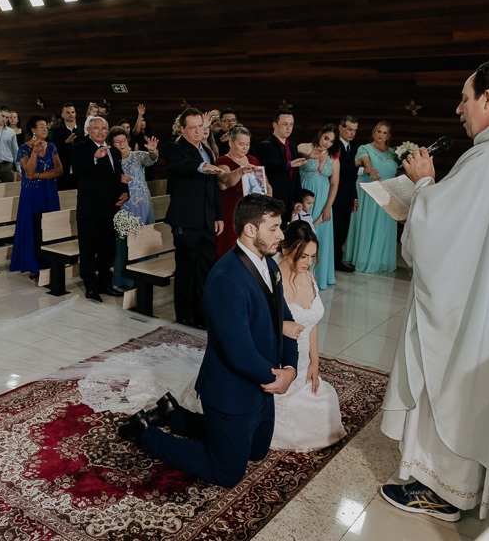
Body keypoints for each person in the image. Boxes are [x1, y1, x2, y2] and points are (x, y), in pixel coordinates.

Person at [380, 59, 489, 522]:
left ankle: (443, 489)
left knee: (454, 379)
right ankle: (463, 486)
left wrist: (422, 184)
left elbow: (441, 232)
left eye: (464, 97)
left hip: (472, 303)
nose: (459, 109)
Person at [117, 193, 298, 488]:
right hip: (232, 391)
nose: (281, 235)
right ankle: (145, 433)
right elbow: (238, 353)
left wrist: (290, 368)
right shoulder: (227, 278)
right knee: (227, 473)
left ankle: (175, 415)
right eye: (274, 227)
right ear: (251, 230)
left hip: (264, 386)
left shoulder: (271, 266)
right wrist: (278, 377)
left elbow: (285, 322)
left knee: (257, 451)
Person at [271, 220, 346, 449]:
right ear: (286, 249)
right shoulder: (273, 280)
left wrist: (315, 360)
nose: (308, 263)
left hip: (303, 363)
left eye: (312, 257)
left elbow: (311, 322)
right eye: (303, 256)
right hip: (277, 359)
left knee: (324, 409)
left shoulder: (309, 277)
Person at [163, 108, 224, 328]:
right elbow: (178, 165)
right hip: (186, 220)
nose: (199, 131)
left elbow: (214, 186)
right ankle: (184, 315)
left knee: (204, 270)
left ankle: (201, 314)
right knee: (186, 270)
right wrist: (201, 166)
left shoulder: (207, 149)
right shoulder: (174, 148)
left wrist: (218, 215)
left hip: (207, 220)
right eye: (193, 127)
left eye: (201, 126)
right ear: (182, 129)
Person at [72, 116, 129, 302]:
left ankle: (105, 283)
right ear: (88, 130)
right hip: (89, 209)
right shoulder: (81, 147)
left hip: (110, 208)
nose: (101, 132)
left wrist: (124, 191)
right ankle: (90, 287)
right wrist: (94, 158)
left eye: (104, 128)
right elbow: (76, 170)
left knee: (107, 248)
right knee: (88, 250)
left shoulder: (114, 151)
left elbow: (118, 175)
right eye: (96, 128)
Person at [9, 116, 62, 277]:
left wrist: (38, 176)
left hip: (49, 192)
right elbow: (29, 172)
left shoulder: (52, 147)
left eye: (46, 126)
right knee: (33, 226)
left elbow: (59, 171)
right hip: (31, 194)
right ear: (33, 130)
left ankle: (52, 260)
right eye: (41, 127)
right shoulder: (24, 148)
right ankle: (34, 264)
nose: (45, 129)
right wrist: (35, 153)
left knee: (50, 225)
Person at [344, 121, 398, 273]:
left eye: (384, 132)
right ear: (374, 132)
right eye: (378, 131)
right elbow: (364, 161)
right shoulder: (365, 148)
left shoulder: (394, 152)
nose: (381, 135)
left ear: (388, 136)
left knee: (383, 227)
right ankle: (362, 260)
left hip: (387, 194)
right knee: (367, 225)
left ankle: (381, 261)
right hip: (368, 192)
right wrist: (370, 169)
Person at [109, 125, 159, 288]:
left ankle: (147, 278)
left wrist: (153, 151)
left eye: (124, 140)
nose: (122, 144)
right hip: (124, 206)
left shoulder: (137, 156)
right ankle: (124, 280)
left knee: (144, 240)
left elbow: (151, 158)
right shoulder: (111, 161)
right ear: (111, 144)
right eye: (117, 141)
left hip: (142, 204)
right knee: (124, 243)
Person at [214, 126, 271, 259]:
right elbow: (226, 181)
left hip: (252, 213)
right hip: (231, 213)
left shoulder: (253, 160)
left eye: (247, 144)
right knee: (229, 249)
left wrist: (268, 198)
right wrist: (240, 171)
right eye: (241, 144)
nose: (245, 147)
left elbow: (267, 185)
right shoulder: (222, 161)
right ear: (230, 143)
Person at [298, 124, 340, 290]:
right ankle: (300, 276)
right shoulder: (306, 147)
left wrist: (328, 207)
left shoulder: (333, 157)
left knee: (320, 238)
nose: (328, 143)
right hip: (305, 196)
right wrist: (310, 155)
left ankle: (318, 278)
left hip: (323, 200)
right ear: (320, 134)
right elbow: (299, 150)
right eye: (326, 138)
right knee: (303, 235)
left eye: (331, 141)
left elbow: (335, 183)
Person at [253, 109, 307, 225]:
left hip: (289, 202)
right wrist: (289, 164)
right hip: (273, 199)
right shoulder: (264, 146)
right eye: (285, 124)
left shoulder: (292, 145)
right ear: (274, 125)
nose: (289, 128)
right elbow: (269, 164)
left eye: (291, 124)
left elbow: (296, 176)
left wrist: (298, 199)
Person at [333, 116, 360, 272]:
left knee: (343, 232)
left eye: (355, 130)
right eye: (350, 129)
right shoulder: (335, 146)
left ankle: (338, 261)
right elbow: (342, 170)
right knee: (335, 231)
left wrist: (355, 197)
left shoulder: (352, 148)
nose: (352, 133)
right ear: (340, 128)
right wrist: (363, 170)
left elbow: (352, 179)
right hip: (335, 196)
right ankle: (333, 262)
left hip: (348, 196)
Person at [50, 102, 85, 191]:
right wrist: (66, 142)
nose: (71, 114)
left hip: (78, 170)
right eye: (68, 112)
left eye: (72, 112)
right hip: (62, 169)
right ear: (62, 115)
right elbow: (54, 150)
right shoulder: (56, 131)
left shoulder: (81, 130)